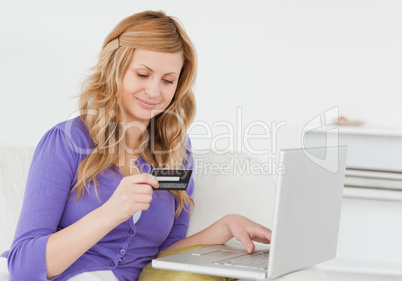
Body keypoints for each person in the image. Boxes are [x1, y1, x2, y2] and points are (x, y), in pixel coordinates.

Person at [0, 10, 271, 281]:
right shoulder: (67, 143)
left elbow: (164, 257)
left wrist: (221, 229)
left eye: (168, 80)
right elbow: (23, 268)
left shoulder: (176, 153)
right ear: (115, 69)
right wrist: (112, 212)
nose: (154, 92)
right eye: (142, 74)